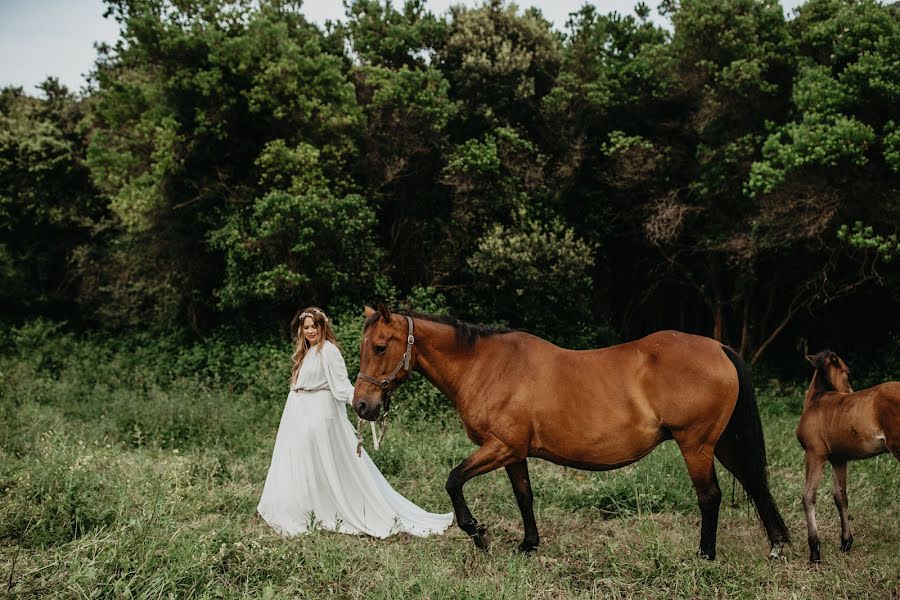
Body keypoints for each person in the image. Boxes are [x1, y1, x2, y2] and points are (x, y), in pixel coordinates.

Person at [257, 306, 453, 538]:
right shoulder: (307, 352)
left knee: (316, 462)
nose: (310, 331)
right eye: (306, 327)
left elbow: (341, 387)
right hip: (298, 415)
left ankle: (326, 510)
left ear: (322, 327)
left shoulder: (328, 351)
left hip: (317, 416)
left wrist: (361, 401)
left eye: (314, 326)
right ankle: (302, 507)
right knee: (301, 463)